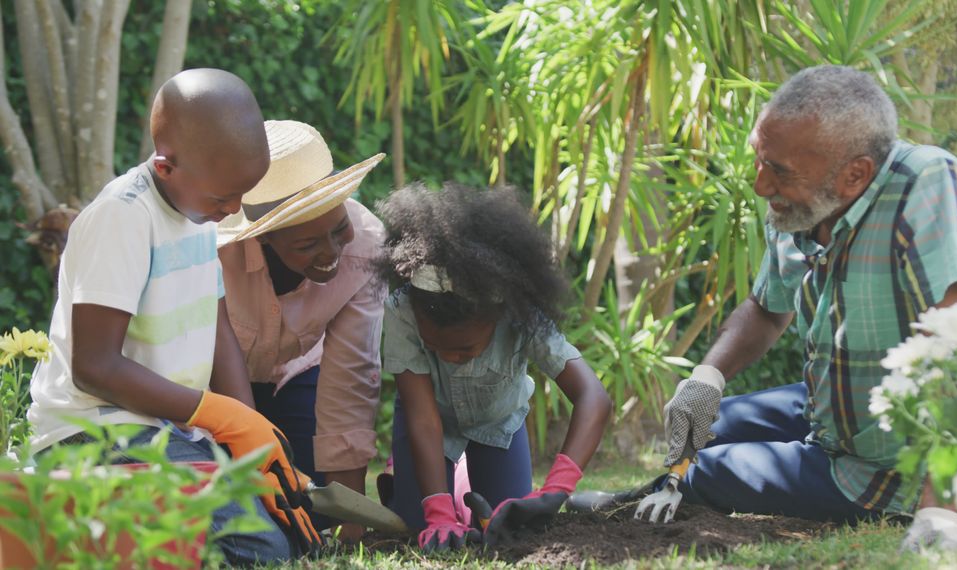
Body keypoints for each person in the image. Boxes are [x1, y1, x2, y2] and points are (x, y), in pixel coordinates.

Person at [573, 64, 957, 524]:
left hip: (896, 461)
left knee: (710, 469)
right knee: (712, 428)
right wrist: (707, 378)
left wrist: (943, 514)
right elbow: (765, 308)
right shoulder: (802, 205)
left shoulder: (928, 185)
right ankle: (655, 491)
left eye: (777, 170)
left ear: (854, 176)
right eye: (759, 159)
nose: (760, 185)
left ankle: (646, 502)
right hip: (837, 411)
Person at [27, 68, 318, 564]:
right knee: (259, 550)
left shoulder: (200, 210)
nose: (232, 211)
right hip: (93, 431)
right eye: (223, 198)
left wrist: (250, 435)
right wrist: (219, 415)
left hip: (168, 429)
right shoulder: (122, 217)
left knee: (290, 536)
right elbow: (94, 366)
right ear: (166, 167)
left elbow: (218, 328)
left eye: (240, 197)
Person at [373, 184, 612, 551]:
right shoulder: (403, 310)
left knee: (510, 526)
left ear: (498, 316)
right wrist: (436, 511)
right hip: (427, 423)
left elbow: (593, 397)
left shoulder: (519, 315)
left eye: (466, 349)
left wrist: (556, 489)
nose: (450, 357)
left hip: (498, 425)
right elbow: (423, 418)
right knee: (417, 526)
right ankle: (423, 487)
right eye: (437, 348)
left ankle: (463, 481)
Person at [216, 119, 386, 542]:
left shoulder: (365, 248)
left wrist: (352, 523)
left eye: (338, 228)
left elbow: (351, 380)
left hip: (296, 374)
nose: (331, 252)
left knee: (312, 511)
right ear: (264, 238)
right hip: (214, 387)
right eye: (308, 244)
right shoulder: (214, 253)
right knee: (241, 507)